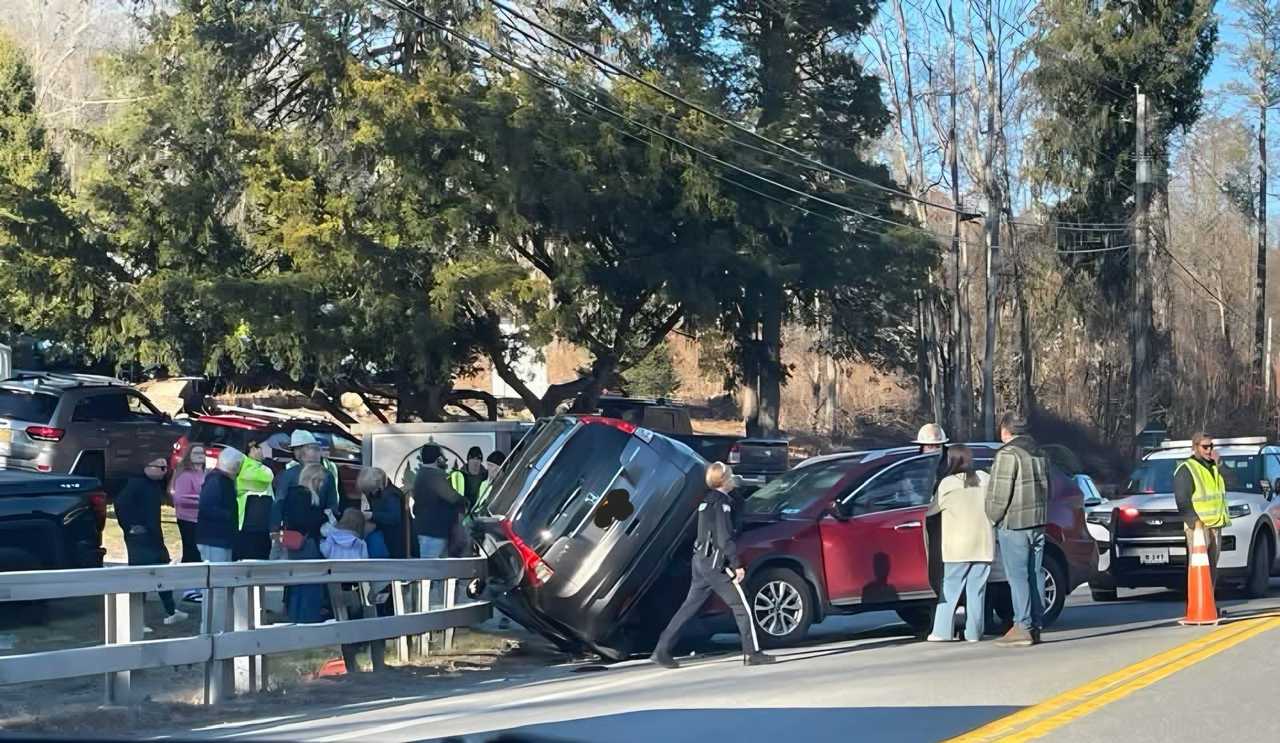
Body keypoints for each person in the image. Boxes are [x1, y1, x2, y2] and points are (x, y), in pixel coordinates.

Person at [651, 462, 774, 669]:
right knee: (741, 606)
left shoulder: (707, 500)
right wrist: (736, 564)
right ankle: (752, 652)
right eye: (731, 474)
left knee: (688, 607)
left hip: (701, 561)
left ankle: (661, 649)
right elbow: (724, 537)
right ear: (724, 479)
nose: (734, 477)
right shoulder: (721, 504)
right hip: (716, 562)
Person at [985, 414, 1050, 648]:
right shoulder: (1040, 453)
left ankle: (1021, 626)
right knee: (1035, 574)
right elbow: (1048, 487)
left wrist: (992, 516)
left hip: (1015, 522)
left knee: (1018, 576)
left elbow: (999, 493)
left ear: (1006, 430)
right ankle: (1036, 624)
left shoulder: (1008, 454)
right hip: (1038, 521)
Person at [928, 446, 993, 643]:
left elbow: (931, 511)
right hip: (983, 544)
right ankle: (973, 633)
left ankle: (941, 631)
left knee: (950, 589)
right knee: (976, 591)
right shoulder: (984, 478)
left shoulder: (947, 484)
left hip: (957, 547)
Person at [116, 458, 189, 629]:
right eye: (161, 467)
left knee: (162, 574)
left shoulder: (154, 486)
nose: (165, 471)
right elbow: (120, 504)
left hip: (155, 536)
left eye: (166, 468)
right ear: (147, 467)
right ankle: (135, 621)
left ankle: (171, 611)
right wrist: (131, 527)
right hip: (140, 540)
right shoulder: (136, 484)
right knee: (141, 579)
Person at [1174, 432, 1229, 588]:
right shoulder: (1187, 469)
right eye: (1205, 446)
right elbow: (1182, 500)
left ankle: (1208, 602)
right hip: (1198, 527)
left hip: (1215, 525)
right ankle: (1198, 604)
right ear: (1195, 447)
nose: (1209, 450)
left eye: (1211, 446)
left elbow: (1232, 480)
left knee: (1212, 567)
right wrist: (1195, 522)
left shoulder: (1214, 466)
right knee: (1199, 567)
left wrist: (1220, 465)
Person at [283, 463, 332, 623]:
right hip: (307, 543)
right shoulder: (304, 496)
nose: (322, 485)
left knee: (298, 583)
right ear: (314, 480)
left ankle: (296, 617)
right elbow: (305, 521)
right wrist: (324, 516)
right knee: (311, 583)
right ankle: (308, 618)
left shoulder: (292, 494)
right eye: (320, 481)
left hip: (294, 543)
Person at [271, 430, 340, 535]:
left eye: (298, 448)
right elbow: (332, 505)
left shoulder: (288, 474)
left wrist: (274, 529)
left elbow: (279, 502)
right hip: (317, 530)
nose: (296, 452)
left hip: (294, 531)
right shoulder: (327, 474)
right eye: (295, 449)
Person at [413, 444, 463, 559]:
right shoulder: (433, 476)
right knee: (431, 571)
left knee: (434, 571)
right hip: (433, 532)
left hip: (429, 531)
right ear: (438, 458)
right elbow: (453, 497)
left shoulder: (423, 474)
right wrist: (466, 501)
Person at [170, 444, 206, 603]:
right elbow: (179, 498)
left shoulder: (203, 473)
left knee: (199, 554)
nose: (200, 455)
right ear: (189, 456)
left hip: (201, 519)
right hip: (187, 518)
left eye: (202, 453)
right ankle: (188, 589)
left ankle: (197, 587)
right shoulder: (185, 475)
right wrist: (203, 501)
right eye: (196, 453)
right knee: (191, 551)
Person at [197, 446, 242, 564]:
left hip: (222, 537)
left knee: (223, 575)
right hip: (213, 538)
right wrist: (228, 515)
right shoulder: (215, 481)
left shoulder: (225, 481)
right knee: (215, 575)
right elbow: (206, 507)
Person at [234, 439, 275, 561]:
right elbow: (267, 476)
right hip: (246, 524)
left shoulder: (257, 466)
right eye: (256, 448)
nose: (260, 451)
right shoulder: (246, 466)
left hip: (261, 524)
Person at [359, 467, 408, 560]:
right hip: (382, 538)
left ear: (379, 484)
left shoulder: (392, 495)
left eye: (372, 489)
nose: (370, 493)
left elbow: (394, 518)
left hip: (394, 540)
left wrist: (372, 515)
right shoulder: (375, 493)